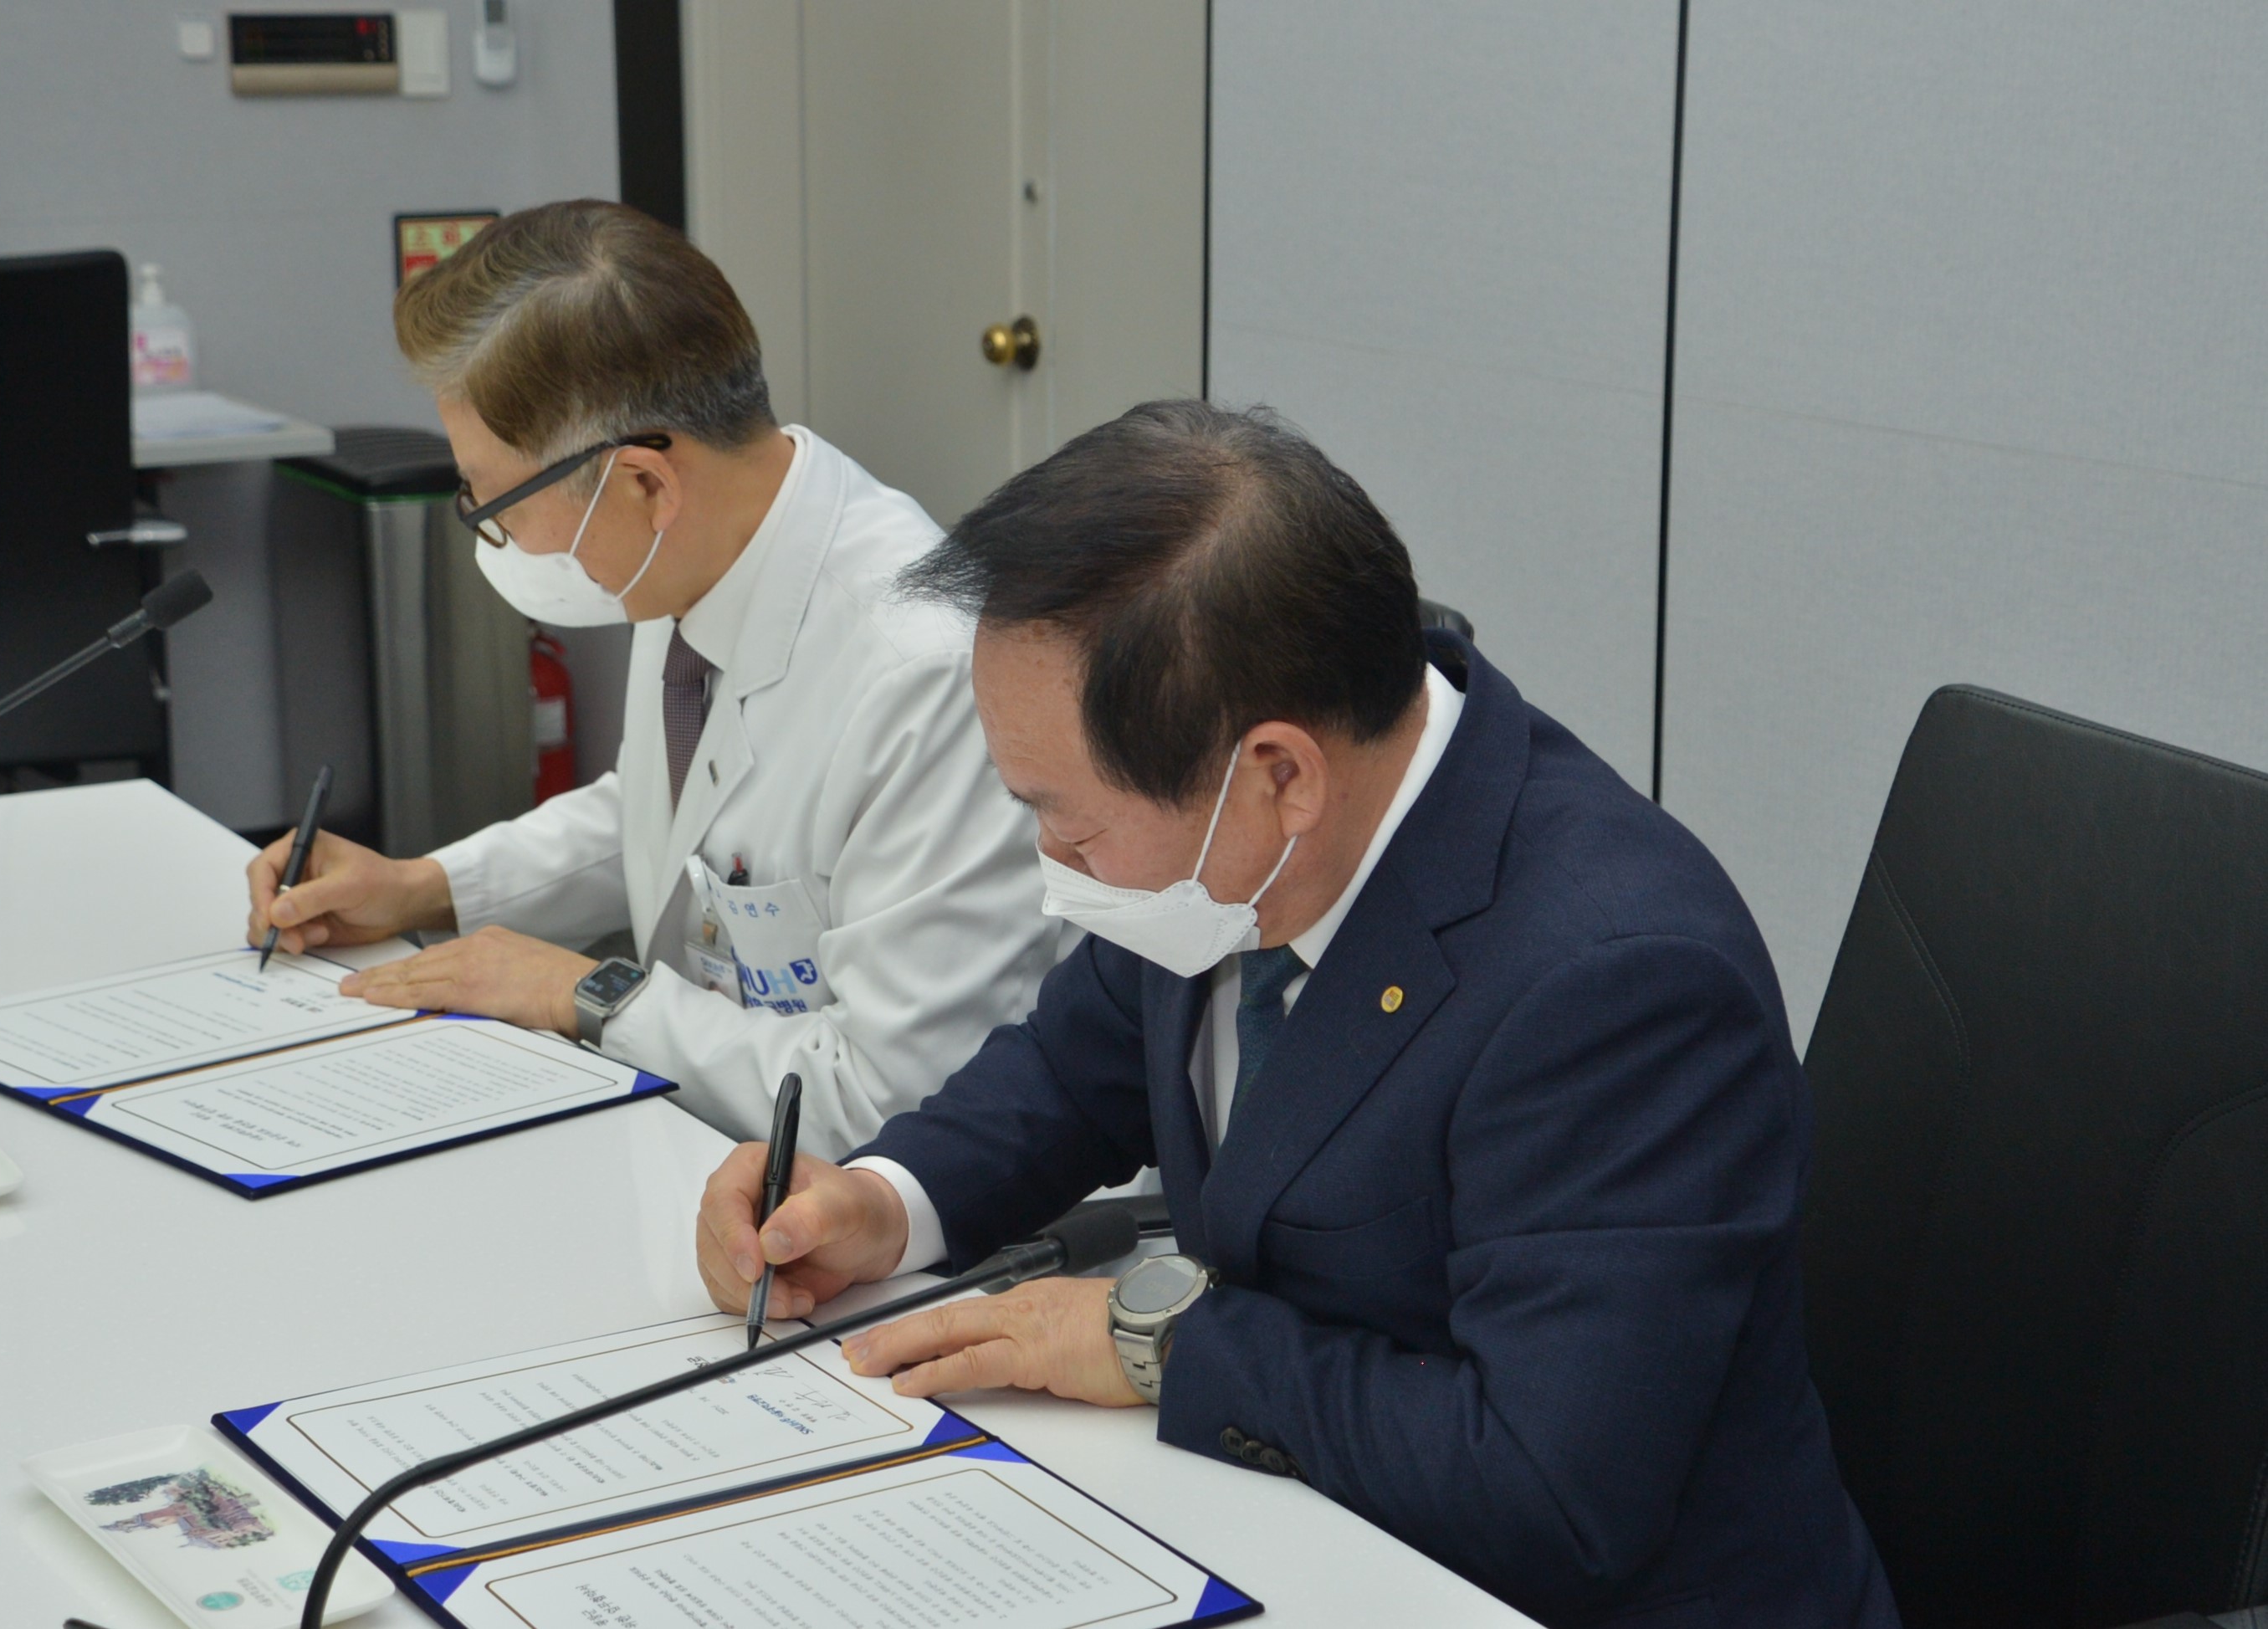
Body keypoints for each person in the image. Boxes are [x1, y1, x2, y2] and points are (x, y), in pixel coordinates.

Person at [694, 402, 1901, 1626]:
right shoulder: (1230, 858)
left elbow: (1549, 1490)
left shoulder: (1617, 982)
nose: (1051, 860)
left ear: (1278, 775)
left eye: (1070, 820)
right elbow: (1070, 1068)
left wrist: (1161, 1343)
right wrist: (882, 1202)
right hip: (1301, 1538)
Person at [246, 200, 1057, 1155]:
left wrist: (587, 994)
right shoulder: (695, 553)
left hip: (886, 1203)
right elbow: (663, 816)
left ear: (644, 484)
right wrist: (422, 888)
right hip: (706, 1149)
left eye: (492, 500)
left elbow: (889, 1100)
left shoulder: (923, 676)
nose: (491, 532)